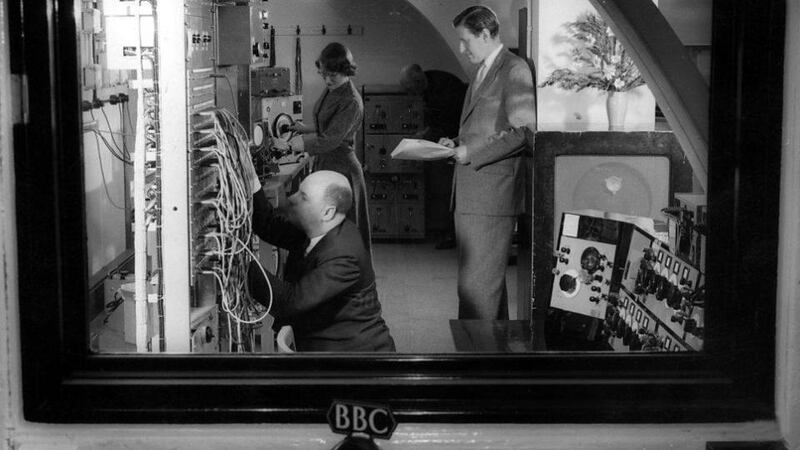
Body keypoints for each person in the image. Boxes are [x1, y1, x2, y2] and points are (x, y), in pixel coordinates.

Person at [438, 6, 536, 320]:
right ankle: (494, 360)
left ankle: (474, 364)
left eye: (466, 41)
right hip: (472, 196)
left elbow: (524, 131)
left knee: (475, 291)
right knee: (485, 290)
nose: (462, 49)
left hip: (491, 198)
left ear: (485, 34)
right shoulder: (480, 72)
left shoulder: (514, 69)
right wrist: (455, 144)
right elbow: (481, 128)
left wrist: (472, 152)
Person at [247, 170, 396, 352]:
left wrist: (239, 262)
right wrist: (250, 175)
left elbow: (289, 303)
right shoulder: (319, 228)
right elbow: (267, 224)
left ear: (327, 212)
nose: (293, 198)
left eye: (304, 197)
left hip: (354, 361)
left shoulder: (343, 254)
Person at [278, 42, 371, 252]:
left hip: (342, 169)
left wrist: (295, 145)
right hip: (326, 163)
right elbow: (328, 126)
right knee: (325, 233)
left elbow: (331, 139)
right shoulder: (333, 89)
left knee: (343, 233)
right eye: (324, 74)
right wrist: (303, 129)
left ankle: (346, 282)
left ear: (346, 71)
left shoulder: (351, 101)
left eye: (333, 75)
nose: (327, 80)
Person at [399, 64, 468, 250]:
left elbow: (447, 121)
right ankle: (449, 232)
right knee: (442, 190)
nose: (411, 95)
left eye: (411, 90)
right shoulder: (429, 81)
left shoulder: (445, 88)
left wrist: (425, 134)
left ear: (418, 82)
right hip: (445, 141)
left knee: (448, 192)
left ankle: (453, 235)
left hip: (457, 142)